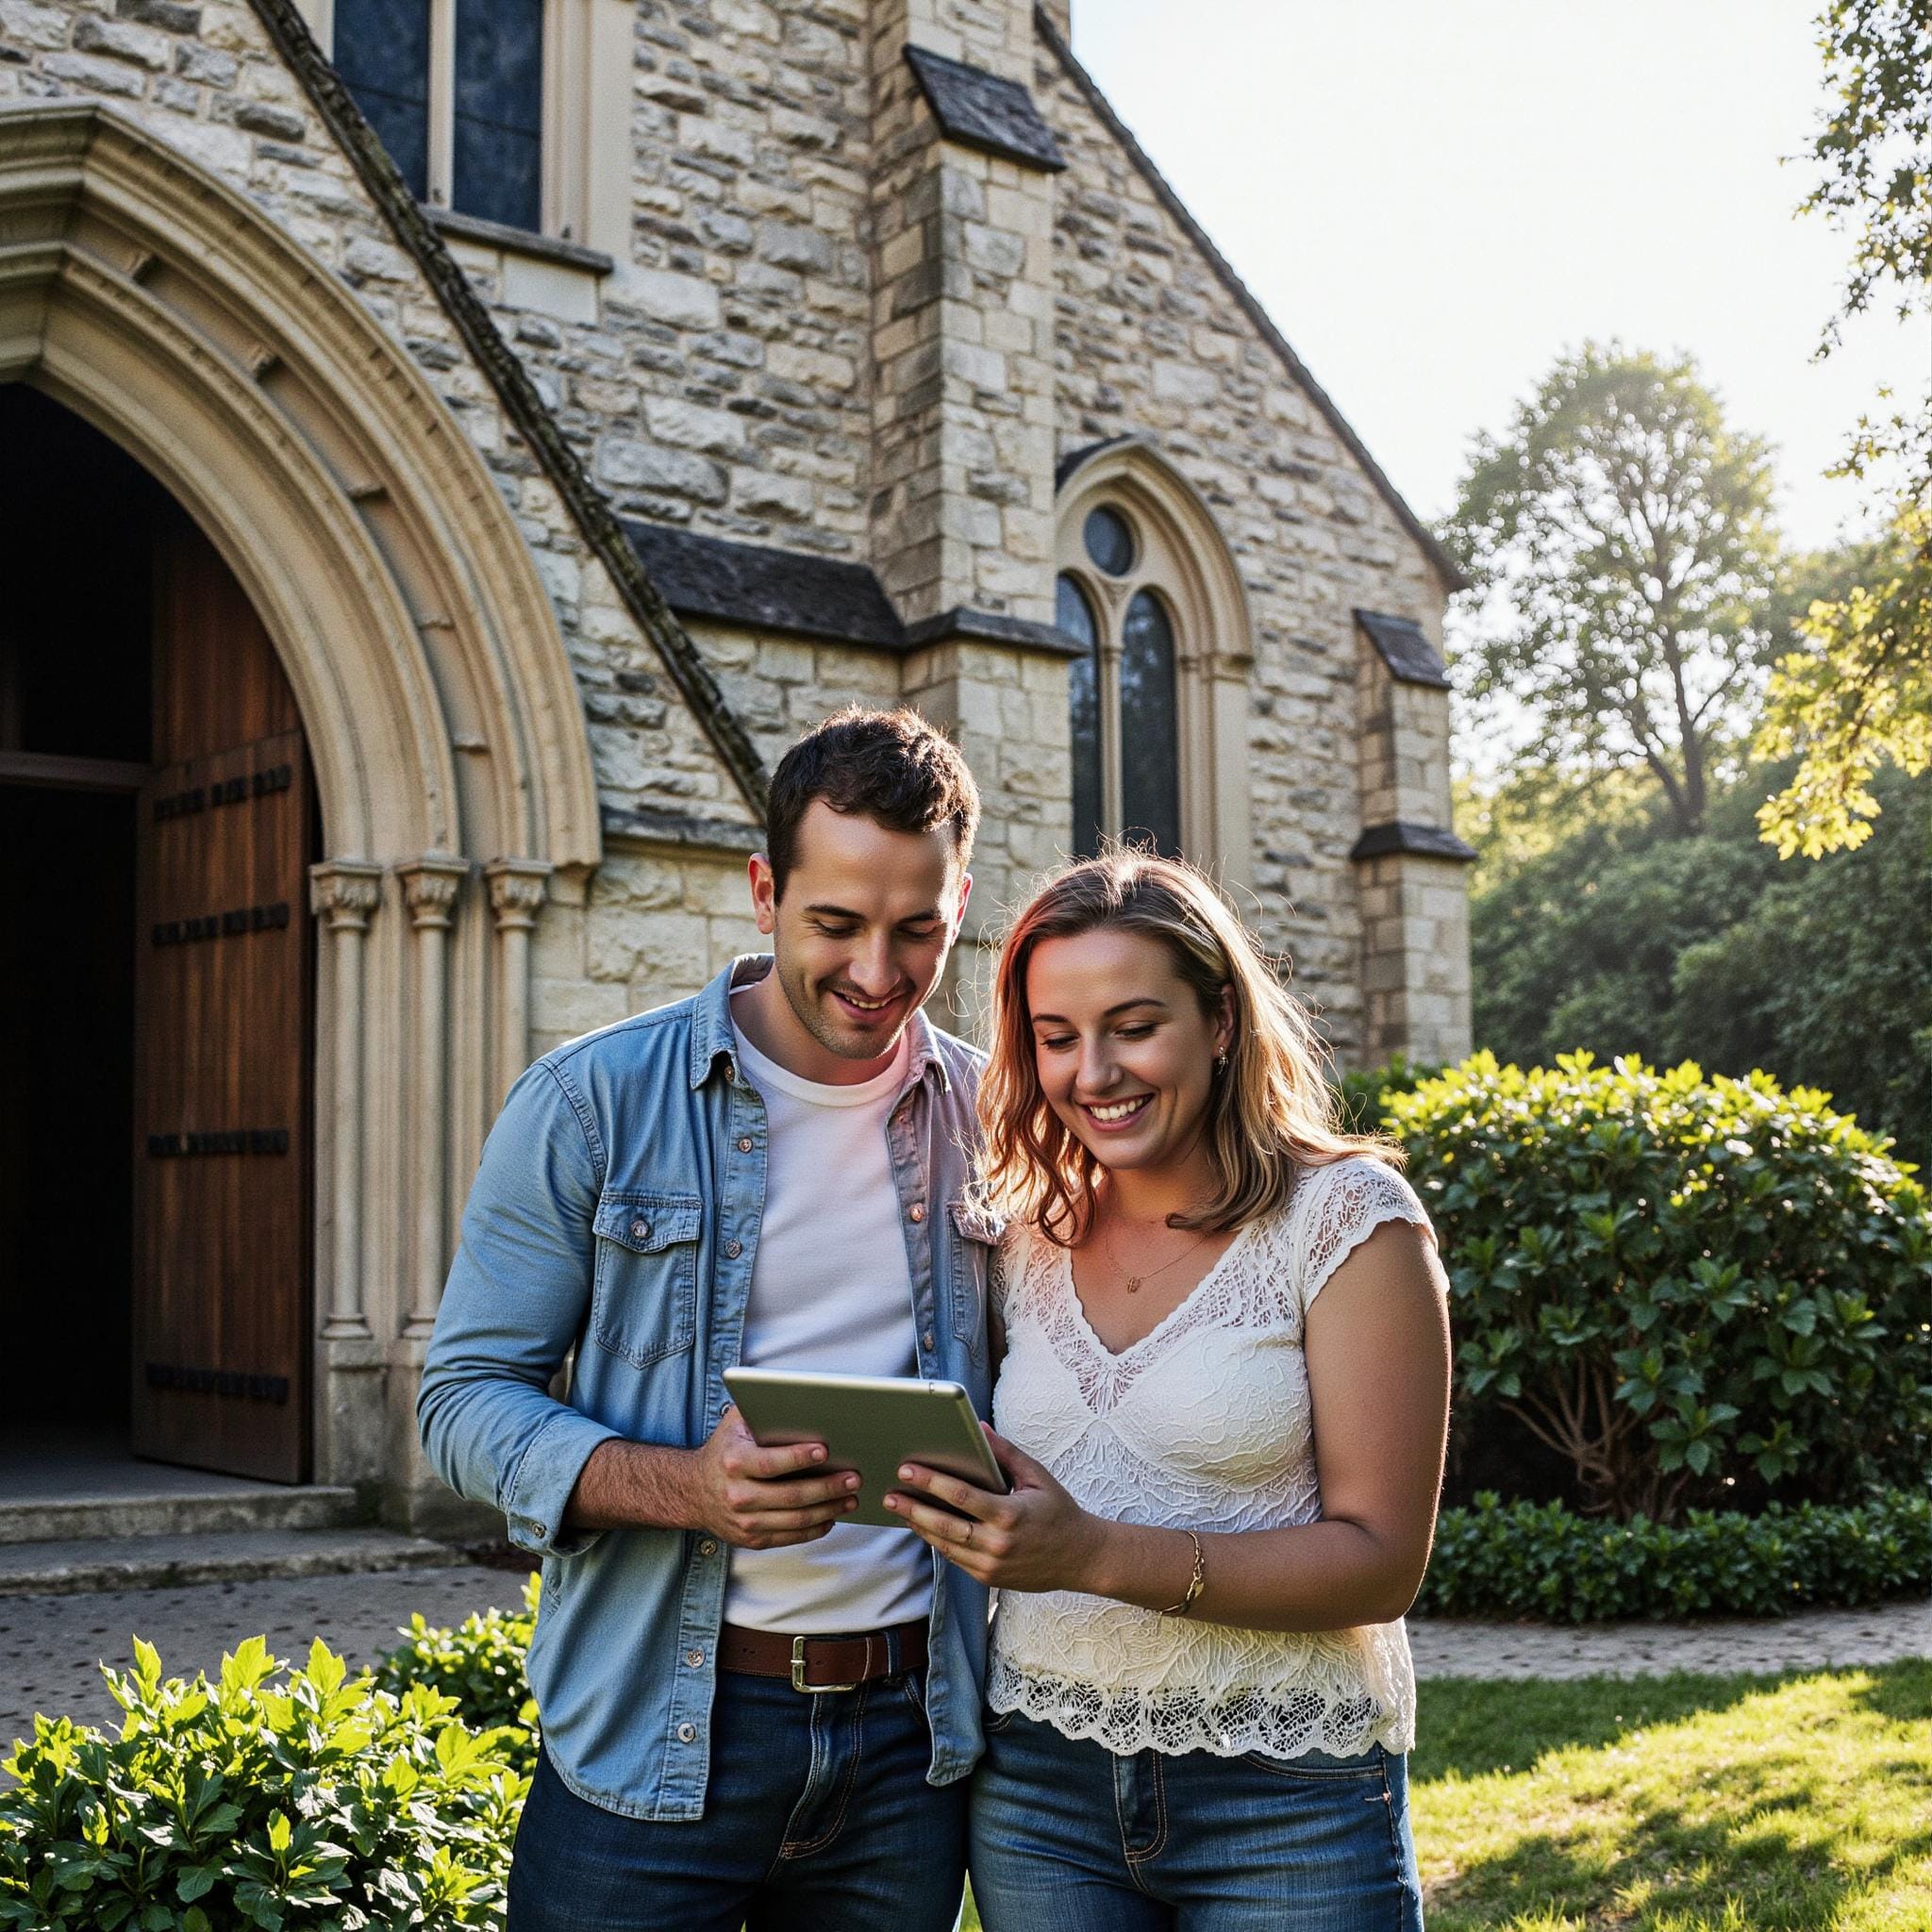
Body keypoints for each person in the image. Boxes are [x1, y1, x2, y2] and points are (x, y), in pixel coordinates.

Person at [418, 707, 997, 1932]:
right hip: (652, 1736)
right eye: (835, 924)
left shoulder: (995, 1117)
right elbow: (460, 1400)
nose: (878, 974)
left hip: (908, 1748)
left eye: (919, 932)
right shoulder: (590, 1104)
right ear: (761, 890)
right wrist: (682, 1487)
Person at [885, 850, 1450, 1932]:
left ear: (1222, 1019)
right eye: (1056, 1037)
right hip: (1037, 1786)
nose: (1093, 1071)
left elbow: (1380, 1560)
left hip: (1284, 1793)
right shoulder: (1020, 1232)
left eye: (1134, 1025)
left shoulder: (1344, 1220)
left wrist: (1090, 1551)